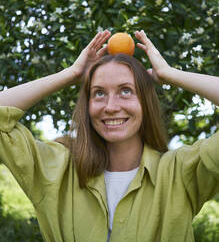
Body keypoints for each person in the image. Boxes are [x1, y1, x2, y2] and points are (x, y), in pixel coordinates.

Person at [0, 29, 218, 242]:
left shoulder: (182, 173)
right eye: (99, 93)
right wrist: (70, 74)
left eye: (126, 91)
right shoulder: (56, 169)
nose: (111, 107)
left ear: (145, 102)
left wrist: (170, 74)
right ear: (88, 105)